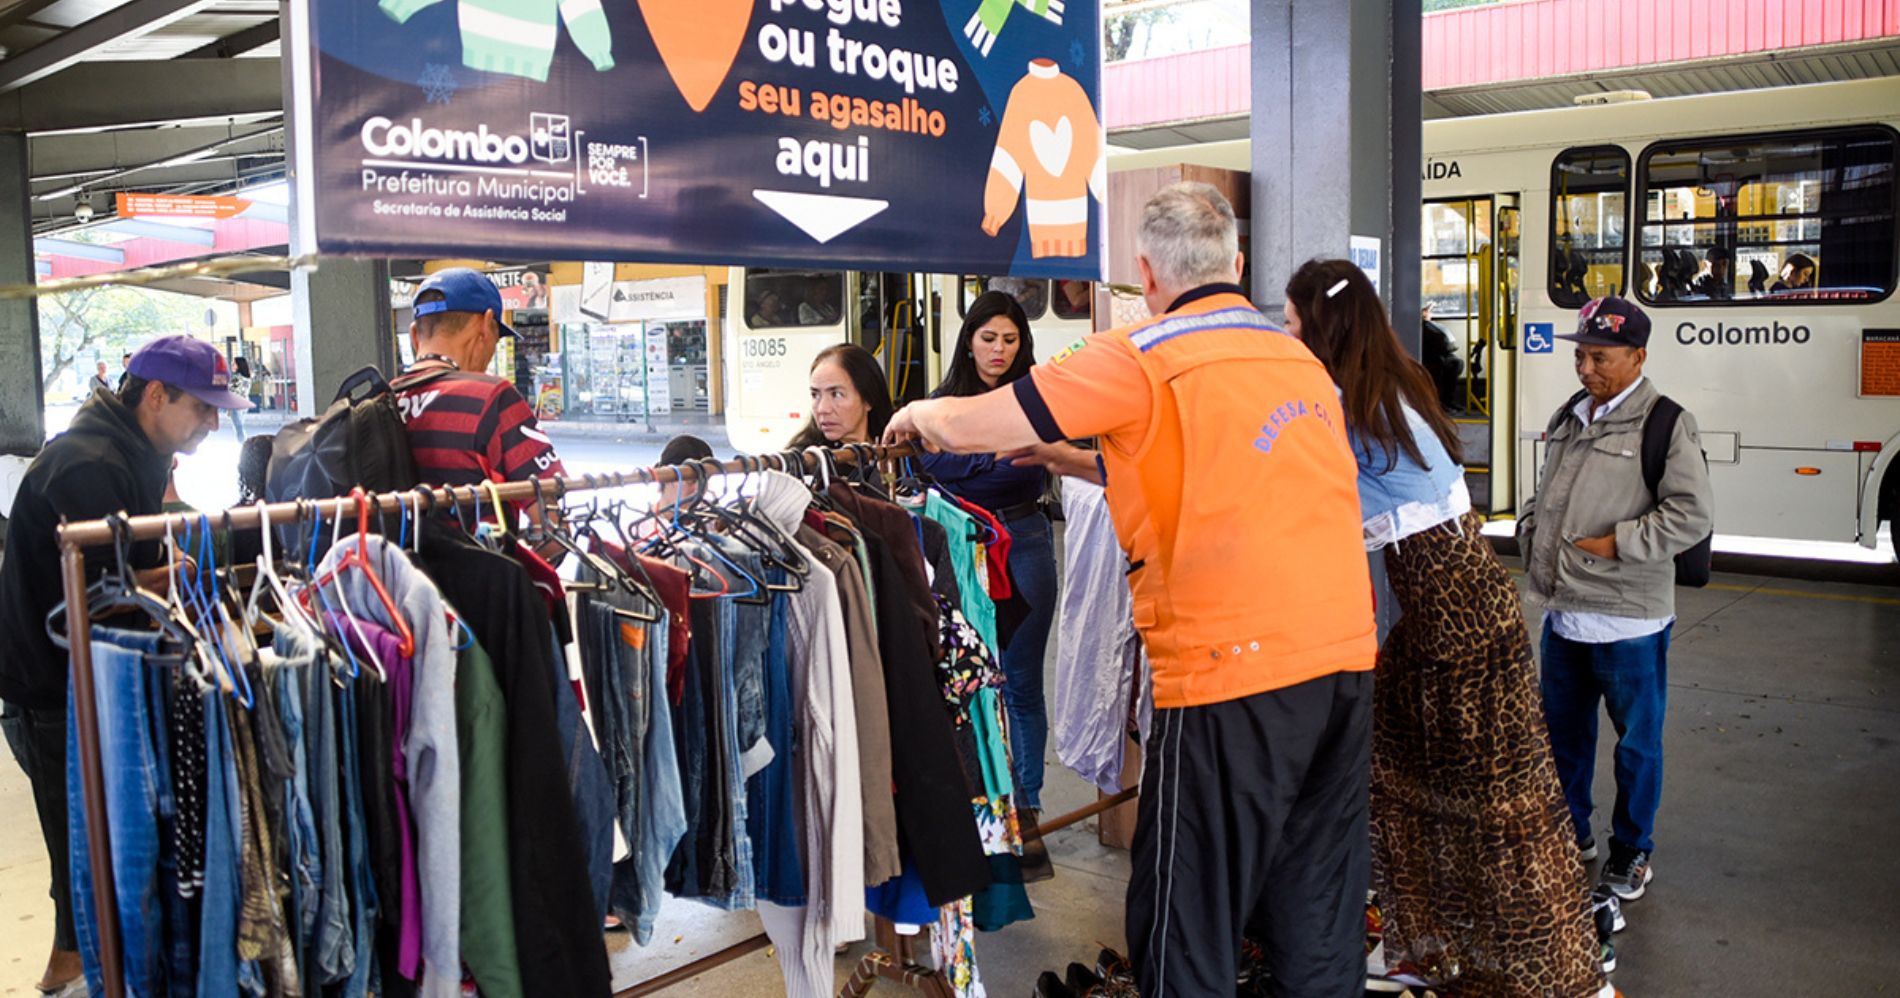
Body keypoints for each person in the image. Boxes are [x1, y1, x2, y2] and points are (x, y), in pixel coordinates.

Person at [884, 182, 1377, 996]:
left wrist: (920, 416)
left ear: (1145, 274)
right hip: (1343, 664)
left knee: (1187, 913)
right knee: (1315, 902)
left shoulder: (1143, 352)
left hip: (1231, 672)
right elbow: (1212, 466)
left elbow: (999, 418)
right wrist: (1075, 462)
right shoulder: (1296, 361)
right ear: (1238, 265)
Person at [1285, 260, 1610, 996]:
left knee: (1491, 805)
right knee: (1416, 780)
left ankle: (1557, 970)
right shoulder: (1393, 385)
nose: (1285, 332)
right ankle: (1427, 944)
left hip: (1453, 626)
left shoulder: (1348, 407)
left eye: (1292, 321)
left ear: (1321, 328)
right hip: (1465, 612)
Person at [0, 334, 252, 997]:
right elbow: (109, 598)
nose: (212, 422)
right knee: (85, 862)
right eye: (201, 407)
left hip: (70, 681)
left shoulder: (129, 449)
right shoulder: (90, 463)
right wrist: (182, 573)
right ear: (156, 395)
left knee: (96, 856)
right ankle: (70, 975)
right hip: (51, 696)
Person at [1519, 295, 1714, 905]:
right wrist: (1530, 530)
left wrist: (1616, 545)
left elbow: (1691, 514)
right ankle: (1570, 833)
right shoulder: (1571, 413)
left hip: (1629, 619)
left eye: (1600, 358)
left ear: (1637, 356)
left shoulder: (1665, 422)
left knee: (1636, 744)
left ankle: (1633, 850)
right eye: (1580, 356)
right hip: (1564, 613)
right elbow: (1546, 492)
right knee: (1562, 738)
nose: (1586, 369)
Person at [918, 291, 1059, 875]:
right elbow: (928, 465)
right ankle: (981, 815)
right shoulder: (940, 403)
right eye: (988, 337)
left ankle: (1026, 813)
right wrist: (991, 456)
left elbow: (1024, 475)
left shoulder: (1040, 397)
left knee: (1020, 685)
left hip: (1024, 546)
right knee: (969, 687)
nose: (999, 350)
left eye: (1010, 339)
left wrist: (969, 455)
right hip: (956, 547)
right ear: (968, 339)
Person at [394, 267, 566, 532]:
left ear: (415, 335)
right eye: (497, 337)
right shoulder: (493, 397)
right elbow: (552, 529)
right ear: (486, 325)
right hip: (474, 570)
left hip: (392, 571)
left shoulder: (384, 400)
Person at [787, 343, 894, 449]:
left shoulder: (899, 450)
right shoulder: (806, 460)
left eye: (836, 394)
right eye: (815, 395)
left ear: (868, 399)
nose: (822, 409)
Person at [1419, 301, 1464, 412]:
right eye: (1427, 311)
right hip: (1430, 358)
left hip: (1437, 356)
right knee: (1442, 365)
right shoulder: (1425, 327)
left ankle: (1447, 400)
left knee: (1455, 363)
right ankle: (1439, 402)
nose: (1430, 314)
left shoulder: (1431, 327)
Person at [228, 356, 253, 441]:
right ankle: (243, 443)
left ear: (239, 365)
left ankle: (242, 444)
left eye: (234, 363)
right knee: (240, 425)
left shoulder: (236, 377)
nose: (232, 365)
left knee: (238, 427)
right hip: (245, 403)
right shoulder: (247, 377)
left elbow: (230, 391)